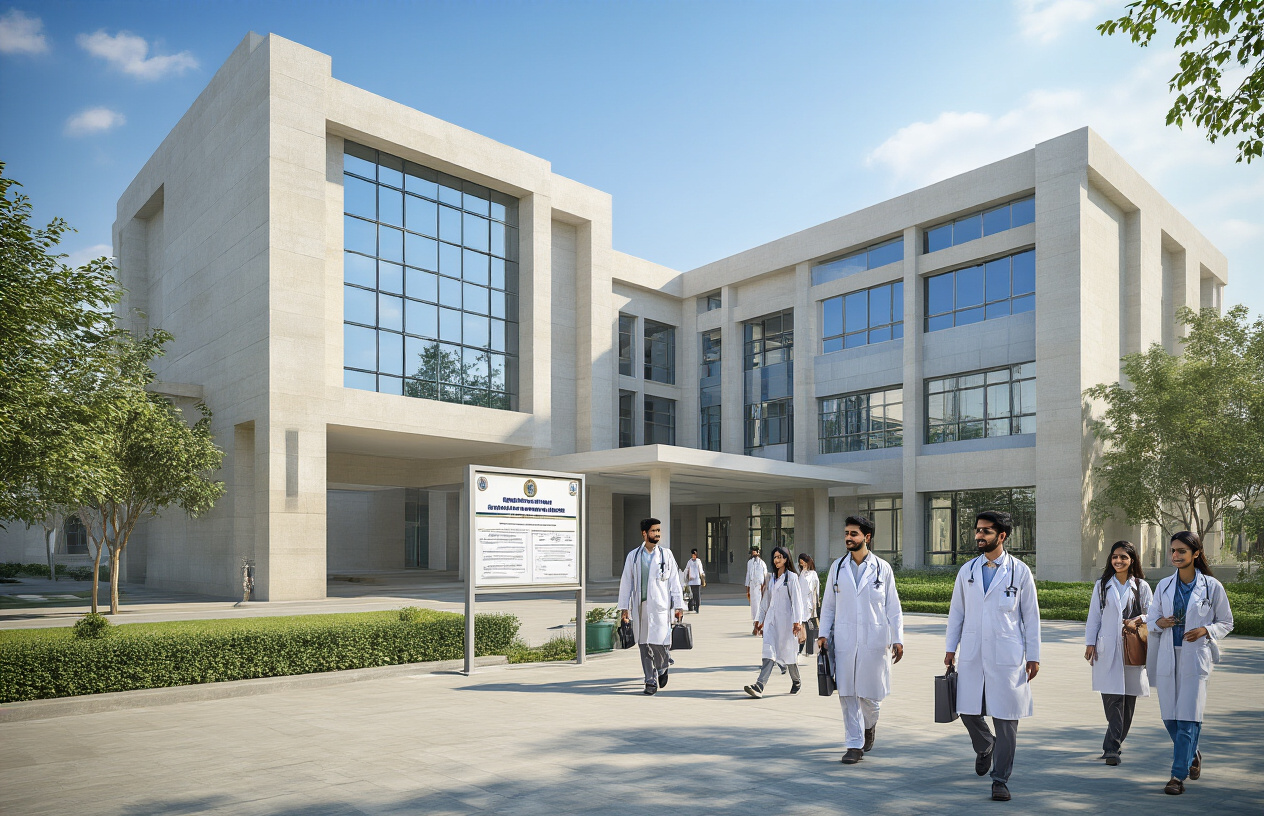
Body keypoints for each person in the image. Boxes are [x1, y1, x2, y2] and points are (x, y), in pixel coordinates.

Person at [944, 510, 1040, 803]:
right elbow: (956, 612)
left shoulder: (1019, 571)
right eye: (978, 530)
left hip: (1007, 654)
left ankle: (1000, 780)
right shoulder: (968, 571)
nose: (979, 536)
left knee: (1006, 718)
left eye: (985, 531)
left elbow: (1030, 617)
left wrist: (1034, 655)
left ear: (1002, 536)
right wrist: (950, 649)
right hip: (973, 652)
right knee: (967, 709)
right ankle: (986, 745)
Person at [1147, 530, 1234, 796]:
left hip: (1195, 656)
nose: (1175, 555)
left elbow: (1226, 622)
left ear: (1196, 554)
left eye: (1181, 551)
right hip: (1167, 655)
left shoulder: (1211, 586)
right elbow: (1151, 620)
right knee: (1169, 717)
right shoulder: (1163, 585)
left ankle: (1177, 775)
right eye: (1173, 551)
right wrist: (1159, 623)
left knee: (1188, 716)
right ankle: (1192, 754)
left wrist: (1205, 631)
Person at [816, 516, 904, 764]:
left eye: (854, 534)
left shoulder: (882, 568)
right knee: (847, 694)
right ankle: (854, 745)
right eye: (846, 533)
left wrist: (898, 638)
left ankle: (870, 726)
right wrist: (823, 634)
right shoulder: (837, 568)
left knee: (870, 697)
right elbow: (829, 606)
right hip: (844, 640)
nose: (848, 538)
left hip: (874, 640)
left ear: (867, 537)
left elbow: (893, 607)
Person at [1083, 540, 1152, 766]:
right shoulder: (1102, 585)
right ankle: (1112, 747)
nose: (1118, 561)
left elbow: (1153, 614)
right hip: (1107, 647)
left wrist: (1138, 619)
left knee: (1128, 701)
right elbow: (1094, 616)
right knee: (1112, 697)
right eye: (1115, 557)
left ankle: (1113, 745)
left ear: (1132, 560)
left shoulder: (1141, 586)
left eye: (1123, 557)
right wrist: (1090, 643)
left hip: (1132, 648)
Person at [617, 518, 685, 696]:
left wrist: (678, 605)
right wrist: (625, 608)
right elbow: (626, 583)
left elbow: (674, 581)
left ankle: (662, 667)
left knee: (660, 643)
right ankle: (649, 680)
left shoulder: (666, 554)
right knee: (644, 643)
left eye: (659, 531)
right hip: (640, 606)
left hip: (660, 606)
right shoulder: (634, 556)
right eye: (654, 531)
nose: (657, 534)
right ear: (644, 533)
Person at [744, 545, 807, 698]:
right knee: (768, 652)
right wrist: (759, 620)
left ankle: (796, 681)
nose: (777, 560)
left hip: (787, 623)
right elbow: (765, 602)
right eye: (775, 557)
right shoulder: (771, 578)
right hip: (772, 622)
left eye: (780, 557)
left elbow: (797, 602)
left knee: (789, 655)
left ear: (786, 559)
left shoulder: (791, 577)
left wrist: (797, 622)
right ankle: (759, 686)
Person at [797, 553, 820, 655]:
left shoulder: (813, 574)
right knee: (801, 626)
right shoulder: (801, 574)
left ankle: (808, 649)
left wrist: (815, 606)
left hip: (809, 604)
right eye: (801, 564)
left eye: (804, 563)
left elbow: (816, 591)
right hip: (801, 603)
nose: (803, 565)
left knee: (809, 627)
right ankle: (800, 648)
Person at [745, 546, 768, 636]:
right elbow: (748, 574)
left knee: (759, 606)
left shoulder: (762, 563)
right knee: (753, 606)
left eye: (755, 552)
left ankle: (759, 625)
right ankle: (755, 623)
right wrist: (747, 587)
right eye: (753, 552)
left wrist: (764, 587)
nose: (754, 554)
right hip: (752, 586)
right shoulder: (750, 563)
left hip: (759, 587)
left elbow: (765, 576)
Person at [685, 549, 706, 613]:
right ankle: (693, 605)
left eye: (695, 555)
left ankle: (697, 606)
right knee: (693, 594)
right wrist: (685, 577)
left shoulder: (698, 561)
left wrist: (702, 576)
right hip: (691, 580)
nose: (694, 556)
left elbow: (700, 570)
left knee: (697, 594)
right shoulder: (689, 562)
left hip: (697, 580)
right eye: (693, 555)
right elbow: (686, 569)